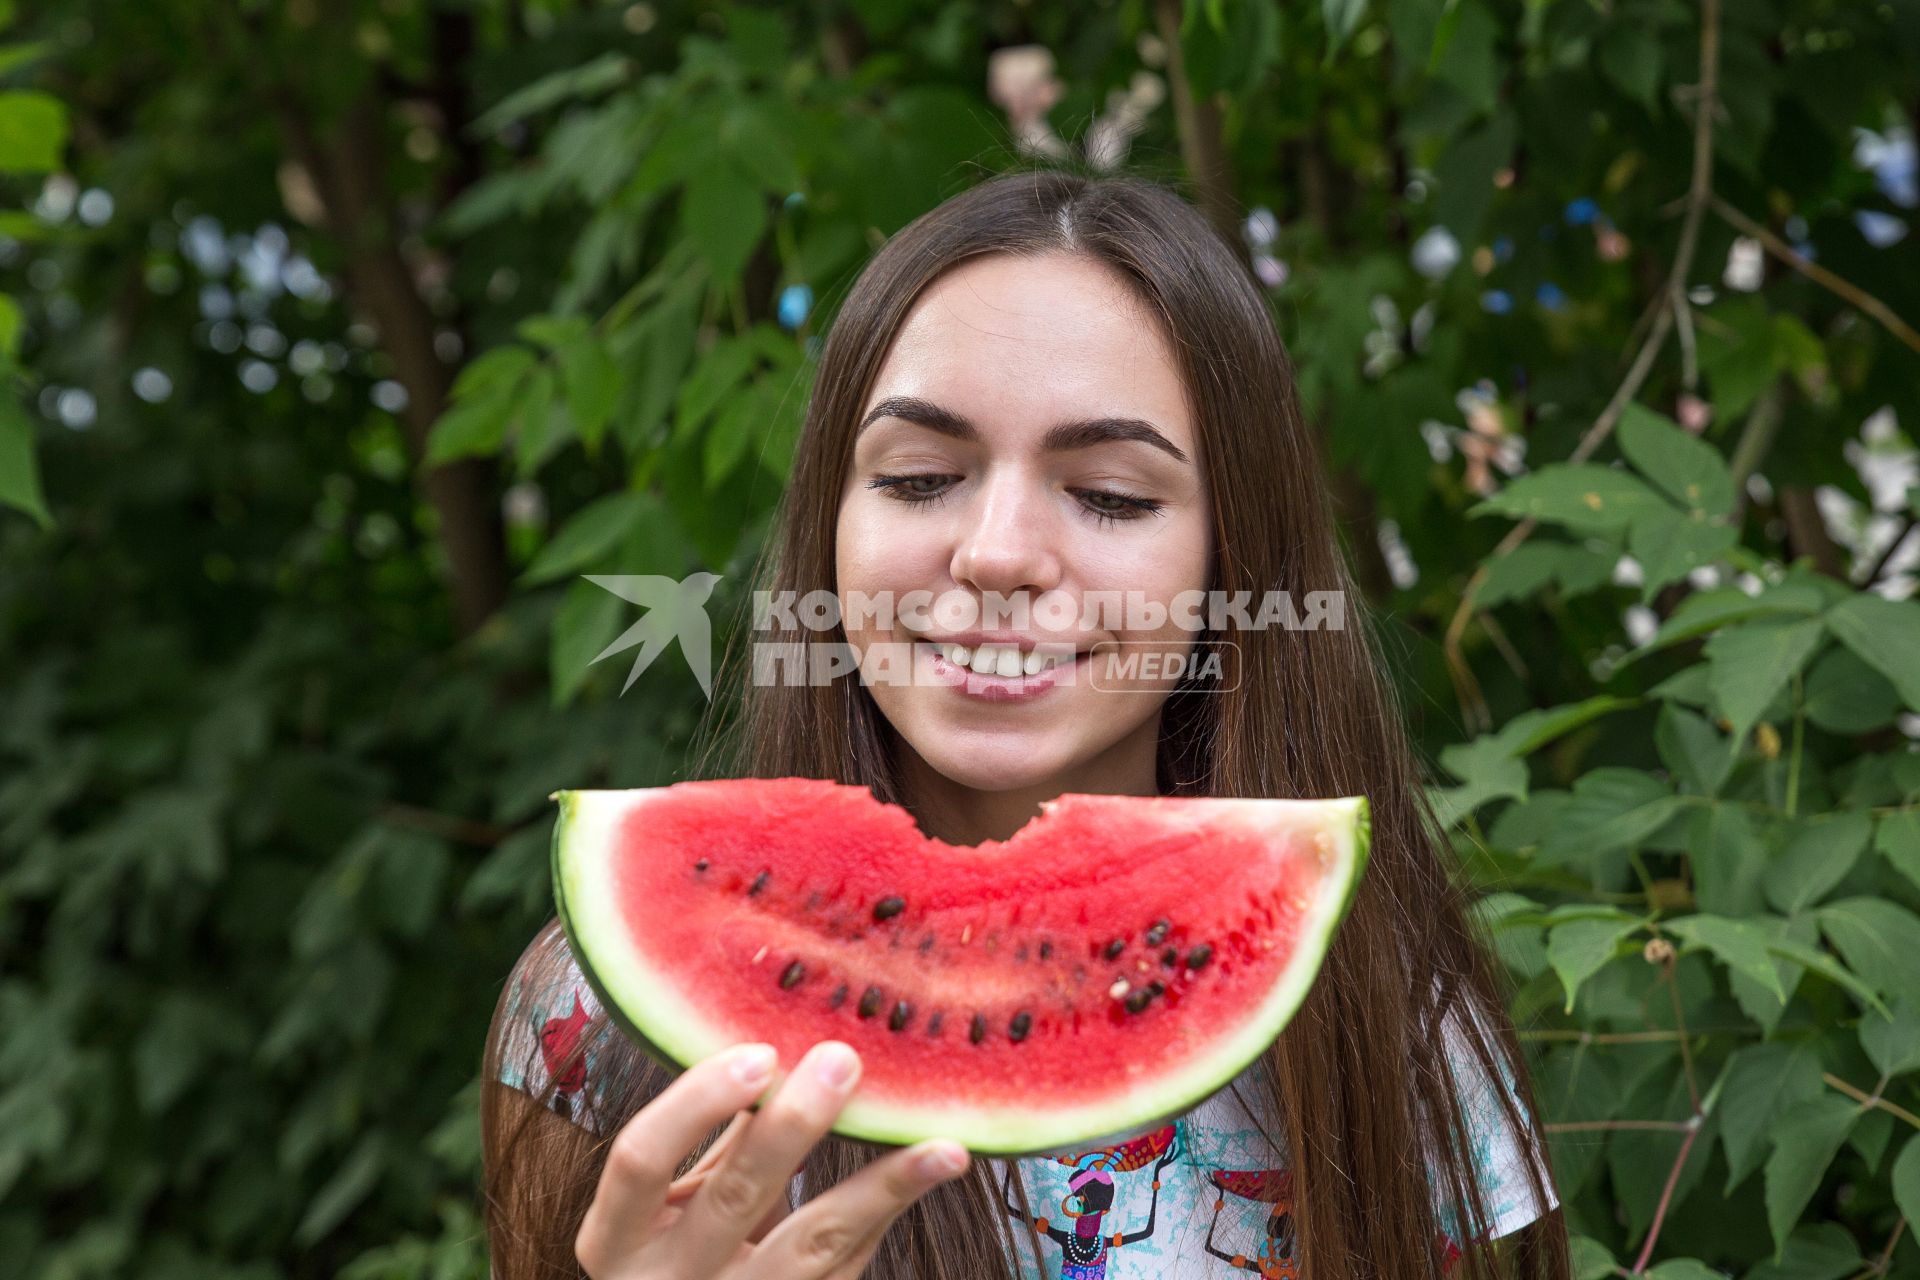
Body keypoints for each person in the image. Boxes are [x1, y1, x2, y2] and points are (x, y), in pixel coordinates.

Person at [480, 167, 1570, 1280]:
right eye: (917, 477)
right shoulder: (592, 1020)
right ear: (828, 524)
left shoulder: (1393, 1022)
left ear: (1231, 557)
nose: (997, 552)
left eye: (1109, 494)